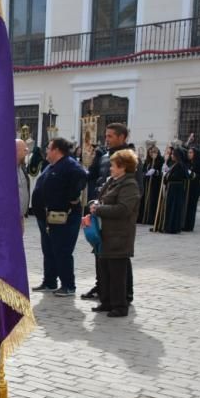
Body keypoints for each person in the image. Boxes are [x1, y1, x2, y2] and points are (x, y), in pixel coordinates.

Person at [81, 123, 134, 301]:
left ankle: (125, 293)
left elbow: (135, 191)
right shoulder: (103, 156)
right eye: (106, 136)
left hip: (117, 216)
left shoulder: (129, 158)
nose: (107, 139)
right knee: (100, 253)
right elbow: (93, 176)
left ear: (122, 137)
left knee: (120, 258)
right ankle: (102, 287)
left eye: (110, 136)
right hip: (102, 211)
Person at [86, 149, 140, 318]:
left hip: (119, 234)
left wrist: (99, 209)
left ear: (123, 167)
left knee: (117, 272)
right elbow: (101, 198)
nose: (110, 168)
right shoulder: (112, 181)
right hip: (105, 233)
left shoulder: (129, 184)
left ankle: (120, 306)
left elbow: (123, 209)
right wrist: (94, 204)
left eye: (113, 165)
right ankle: (107, 301)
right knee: (104, 269)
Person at [31, 137, 87, 296]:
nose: (46, 151)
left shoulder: (70, 165)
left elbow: (81, 177)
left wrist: (72, 197)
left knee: (62, 251)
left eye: (49, 148)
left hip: (63, 218)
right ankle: (50, 281)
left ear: (56, 150)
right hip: (47, 218)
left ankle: (68, 285)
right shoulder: (52, 165)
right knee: (49, 250)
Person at [155, 143, 190, 234]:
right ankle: (167, 226)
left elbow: (178, 176)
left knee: (174, 208)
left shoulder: (180, 165)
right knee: (170, 208)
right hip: (171, 188)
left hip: (176, 189)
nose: (171, 155)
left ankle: (172, 227)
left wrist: (167, 176)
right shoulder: (174, 164)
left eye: (173, 154)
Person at [140, 144, 164, 225]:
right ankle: (144, 218)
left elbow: (162, 172)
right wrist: (145, 174)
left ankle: (152, 219)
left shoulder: (160, 161)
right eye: (150, 152)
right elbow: (143, 171)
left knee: (153, 201)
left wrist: (156, 172)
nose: (152, 154)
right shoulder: (148, 161)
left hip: (155, 185)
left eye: (154, 152)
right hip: (147, 184)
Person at [184, 147, 200, 231]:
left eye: (191, 152)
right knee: (186, 206)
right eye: (188, 152)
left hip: (194, 187)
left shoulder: (199, 163)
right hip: (187, 187)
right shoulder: (188, 163)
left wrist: (193, 174)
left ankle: (189, 226)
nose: (189, 154)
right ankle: (183, 224)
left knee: (191, 207)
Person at [15, 138, 30, 227]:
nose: (27, 153)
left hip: (20, 216)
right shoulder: (5, 169)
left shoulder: (22, 167)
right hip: (10, 216)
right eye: (24, 150)